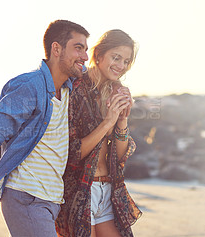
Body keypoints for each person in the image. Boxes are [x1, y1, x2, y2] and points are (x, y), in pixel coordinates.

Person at [0, 20, 90, 237]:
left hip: (53, 199)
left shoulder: (69, 89)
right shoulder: (28, 87)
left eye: (86, 50)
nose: (84, 57)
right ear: (56, 49)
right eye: (78, 48)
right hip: (27, 197)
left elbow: (100, 73)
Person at [56, 29, 142, 237]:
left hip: (109, 193)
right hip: (79, 192)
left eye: (126, 61)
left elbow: (120, 156)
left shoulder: (117, 91)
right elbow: (71, 154)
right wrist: (107, 122)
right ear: (98, 55)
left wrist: (122, 120)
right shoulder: (75, 89)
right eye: (116, 57)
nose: (121, 66)